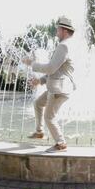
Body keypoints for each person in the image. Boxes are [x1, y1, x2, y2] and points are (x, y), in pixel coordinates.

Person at [22, 16, 76, 153]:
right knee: (38, 103)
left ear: (64, 30)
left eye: (58, 29)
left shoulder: (64, 46)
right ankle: (39, 132)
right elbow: (57, 70)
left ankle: (61, 144)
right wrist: (40, 81)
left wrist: (32, 64)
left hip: (59, 89)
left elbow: (51, 68)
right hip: (56, 86)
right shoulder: (67, 45)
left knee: (49, 117)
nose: (56, 32)